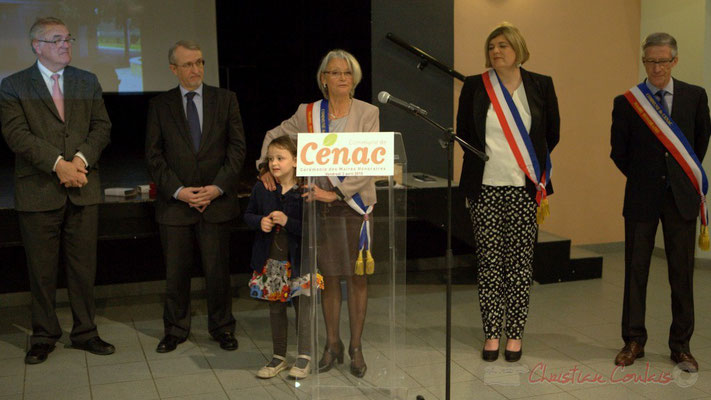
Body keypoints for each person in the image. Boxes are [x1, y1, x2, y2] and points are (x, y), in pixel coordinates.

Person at [257, 49, 379, 378]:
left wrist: (336, 192)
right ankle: (332, 345)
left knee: (356, 278)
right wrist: (265, 168)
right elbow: (273, 137)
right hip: (319, 210)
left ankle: (356, 347)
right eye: (335, 72)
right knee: (326, 280)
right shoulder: (308, 112)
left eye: (348, 73)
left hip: (354, 207)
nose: (342, 78)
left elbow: (370, 163)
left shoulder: (368, 112)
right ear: (323, 78)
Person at [0, 17, 114, 364]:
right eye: (57, 39)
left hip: (82, 186)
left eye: (68, 38)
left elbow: (101, 127)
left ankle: (85, 333)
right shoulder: (13, 85)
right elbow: (17, 135)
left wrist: (78, 160)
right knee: (42, 270)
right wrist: (58, 164)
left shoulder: (87, 80)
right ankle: (44, 335)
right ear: (37, 46)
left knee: (83, 269)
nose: (66, 44)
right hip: (38, 192)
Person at [456, 22, 559, 362]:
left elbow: (551, 133)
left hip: (524, 190)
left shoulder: (541, 85)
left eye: (502, 45)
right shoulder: (474, 86)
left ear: (518, 48)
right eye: (491, 47)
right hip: (483, 188)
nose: (495, 51)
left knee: (518, 265)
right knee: (488, 264)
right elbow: (465, 134)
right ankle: (491, 334)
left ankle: (514, 335)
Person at [610, 32, 710, 373]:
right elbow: (618, 152)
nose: (657, 67)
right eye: (650, 61)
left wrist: (677, 180)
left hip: (681, 200)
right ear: (645, 62)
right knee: (635, 272)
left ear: (674, 61)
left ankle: (681, 346)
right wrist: (645, 178)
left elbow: (697, 144)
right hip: (641, 199)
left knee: (682, 274)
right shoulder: (627, 103)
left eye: (663, 61)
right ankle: (633, 340)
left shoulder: (695, 97)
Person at [145, 40, 246, 353]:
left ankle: (222, 328)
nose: (196, 69)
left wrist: (217, 188)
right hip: (176, 205)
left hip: (216, 202)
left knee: (218, 273)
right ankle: (175, 329)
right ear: (174, 69)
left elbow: (237, 148)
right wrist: (179, 191)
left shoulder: (226, 99)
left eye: (200, 62)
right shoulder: (160, 106)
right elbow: (153, 155)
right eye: (188, 64)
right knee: (176, 273)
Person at [245, 135, 323, 379]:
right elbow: (248, 214)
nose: (274, 163)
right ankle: (279, 356)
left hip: (301, 261)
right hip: (272, 262)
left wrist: (288, 222)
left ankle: (304, 356)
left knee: (303, 308)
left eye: (280, 158)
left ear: (297, 161)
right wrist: (261, 222)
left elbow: (315, 228)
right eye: (270, 159)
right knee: (276, 309)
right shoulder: (262, 187)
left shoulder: (306, 190)